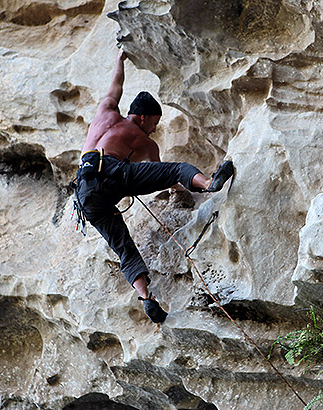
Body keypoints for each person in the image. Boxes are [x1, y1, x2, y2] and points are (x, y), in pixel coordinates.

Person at [74, 49, 234, 323]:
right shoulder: (146, 142)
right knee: (177, 167)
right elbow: (166, 176)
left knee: (124, 248)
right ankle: (209, 183)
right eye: (155, 122)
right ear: (143, 117)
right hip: (112, 173)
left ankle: (146, 298)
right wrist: (179, 190)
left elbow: (116, 86)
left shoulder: (105, 113)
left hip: (83, 192)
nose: (155, 129)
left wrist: (119, 60)